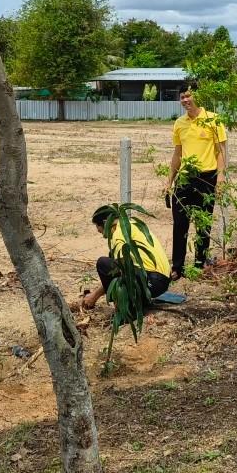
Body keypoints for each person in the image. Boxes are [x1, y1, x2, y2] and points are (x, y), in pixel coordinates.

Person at [165, 88, 227, 278]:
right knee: (180, 224)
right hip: (184, 178)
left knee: (203, 223)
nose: (185, 100)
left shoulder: (213, 119)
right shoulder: (179, 123)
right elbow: (177, 154)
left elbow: (221, 152)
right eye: (182, 97)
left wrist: (221, 179)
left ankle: (200, 264)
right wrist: (169, 181)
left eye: (188, 96)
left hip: (206, 178)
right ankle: (178, 267)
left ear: (197, 96)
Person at [79, 205, 171, 310]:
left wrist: (95, 295)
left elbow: (120, 270)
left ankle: (126, 310)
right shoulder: (132, 225)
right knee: (112, 259)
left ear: (105, 222)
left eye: (97, 226)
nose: (98, 231)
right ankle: (140, 302)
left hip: (152, 281)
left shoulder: (119, 234)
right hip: (162, 280)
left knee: (103, 264)